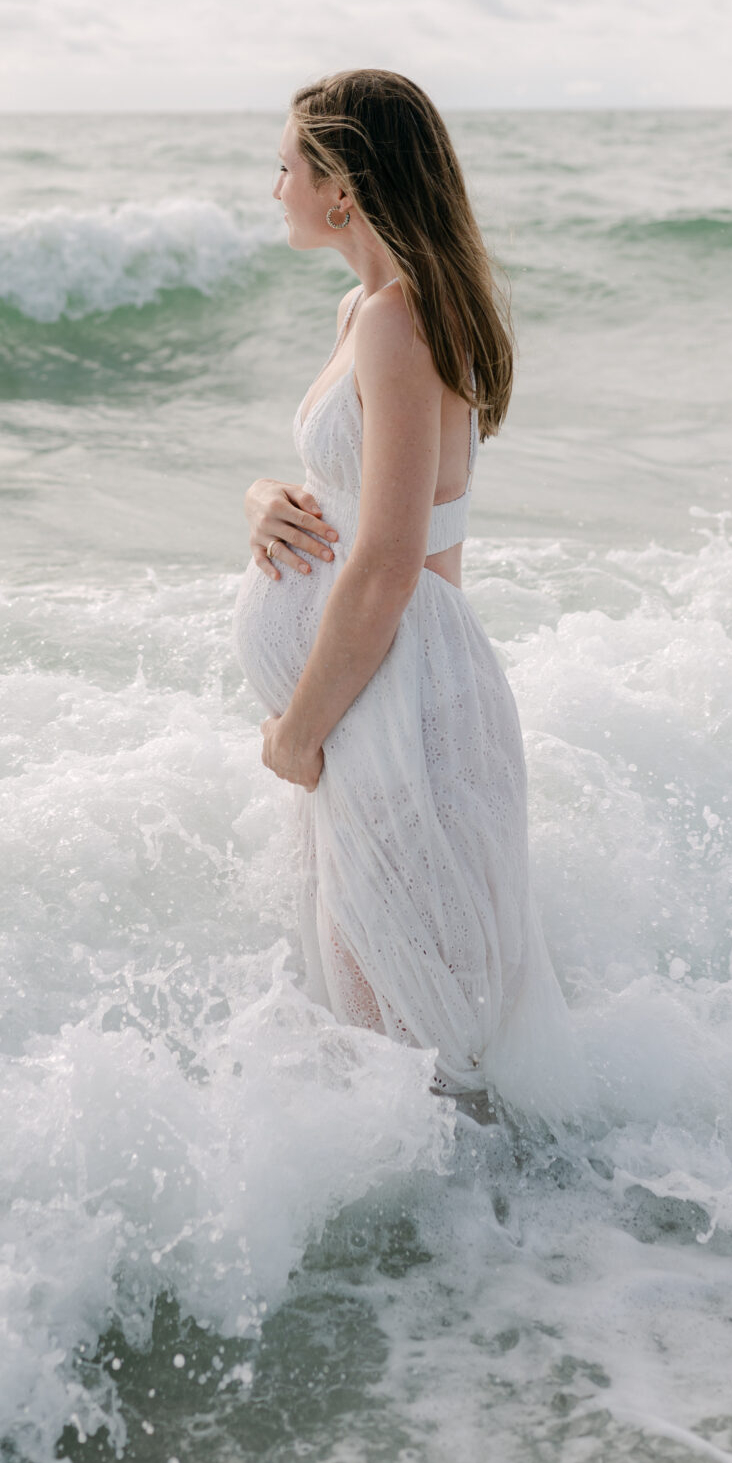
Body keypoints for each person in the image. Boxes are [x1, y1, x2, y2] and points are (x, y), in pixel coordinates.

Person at [232, 69, 576, 1117]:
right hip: (381, 700)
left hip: (397, 702)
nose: (271, 185)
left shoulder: (395, 322)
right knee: (386, 1035)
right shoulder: (365, 311)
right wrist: (260, 496)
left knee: (413, 1052)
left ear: (341, 185)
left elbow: (387, 566)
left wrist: (299, 729)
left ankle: (493, 1263)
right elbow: (355, 496)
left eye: (285, 163)